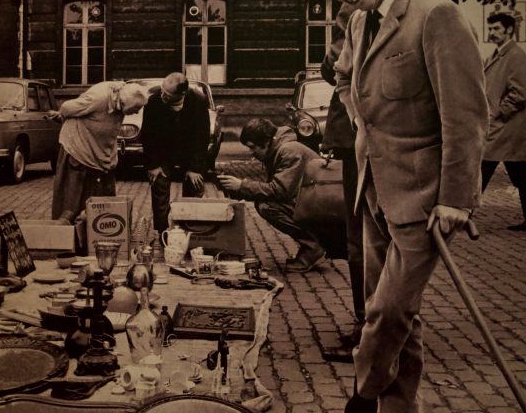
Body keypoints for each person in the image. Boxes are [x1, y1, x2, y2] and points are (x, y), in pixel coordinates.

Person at [296, 0, 488, 412]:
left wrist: (455, 199)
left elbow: (465, 116)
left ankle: (361, 398)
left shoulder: (435, 14)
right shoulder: (360, 21)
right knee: (405, 320)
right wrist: (363, 122)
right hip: (372, 189)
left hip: (424, 199)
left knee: (386, 311)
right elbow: (342, 75)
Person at [217, 118, 327, 272]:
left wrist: (242, 185)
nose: (252, 153)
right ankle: (314, 244)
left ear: (266, 142)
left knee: (268, 207)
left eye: (253, 147)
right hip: (315, 199)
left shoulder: (289, 151)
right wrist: (238, 190)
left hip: (322, 204)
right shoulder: (281, 149)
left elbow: (280, 190)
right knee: (265, 204)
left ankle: (313, 246)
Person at [50, 80, 148, 253]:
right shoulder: (98, 97)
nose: (137, 112)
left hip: (100, 152)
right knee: (73, 202)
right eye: (136, 108)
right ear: (125, 102)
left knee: (102, 199)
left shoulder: (120, 99)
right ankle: (67, 244)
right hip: (78, 148)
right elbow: (66, 108)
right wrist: (61, 116)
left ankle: (98, 238)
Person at [481, 12, 526, 231]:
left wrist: (498, 114)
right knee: (520, 175)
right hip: (504, 129)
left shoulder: (515, 55)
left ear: (509, 30)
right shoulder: (499, 54)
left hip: (506, 128)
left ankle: (460, 214)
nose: (491, 33)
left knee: (480, 169)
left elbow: (519, 94)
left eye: (496, 29)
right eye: (490, 29)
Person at [320, 44, 365, 359]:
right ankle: (369, 324)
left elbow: (334, 68)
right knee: (359, 242)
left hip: (365, 145)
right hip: (356, 145)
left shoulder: (361, 26)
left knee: (363, 242)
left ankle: (370, 331)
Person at [141, 72, 210, 237]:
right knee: (158, 183)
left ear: (182, 94)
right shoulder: (153, 102)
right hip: (164, 153)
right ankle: (162, 232)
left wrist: (194, 168)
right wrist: (154, 165)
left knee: (195, 184)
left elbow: (202, 137)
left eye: (167, 94)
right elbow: (148, 136)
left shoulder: (199, 101)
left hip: (189, 152)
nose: (162, 95)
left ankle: (190, 229)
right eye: (162, 90)